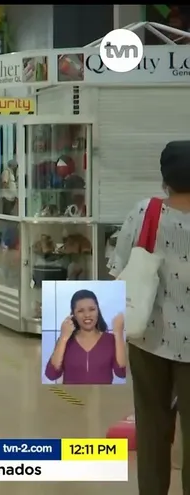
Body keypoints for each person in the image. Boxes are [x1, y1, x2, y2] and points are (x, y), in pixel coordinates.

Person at [109, 140, 190, 492]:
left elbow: (117, 269)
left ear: (164, 178)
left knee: (153, 427)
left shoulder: (146, 213)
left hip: (149, 338)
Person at [44, 289, 127, 384]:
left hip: (102, 397)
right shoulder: (65, 340)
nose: (87, 315)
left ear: (98, 311)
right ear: (73, 315)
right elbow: (51, 374)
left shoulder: (110, 340)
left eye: (92, 309)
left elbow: (122, 373)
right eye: (80, 311)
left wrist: (119, 333)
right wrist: (63, 337)